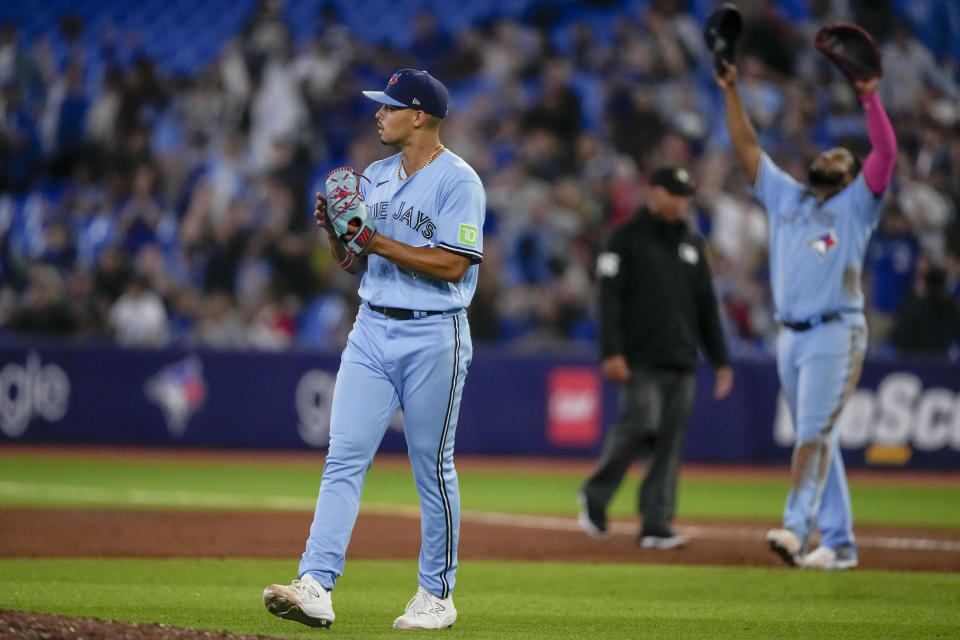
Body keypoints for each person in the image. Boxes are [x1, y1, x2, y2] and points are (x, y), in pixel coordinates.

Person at [262, 69, 485, 630]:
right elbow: (357, 261)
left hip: (435, 333)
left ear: (418, 116)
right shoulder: (377, 176)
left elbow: (453, 264)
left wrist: (373, 238)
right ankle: (315, 583)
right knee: (343, 457)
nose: (378, 114)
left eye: (388, 107)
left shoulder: (460, 181)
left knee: (431, 468)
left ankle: (436, 594)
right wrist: (339, 236)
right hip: (371, 327)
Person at [715, 59, 896, 569]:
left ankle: (796, 529)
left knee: (813, 433)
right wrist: (730, 89)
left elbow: (886, 151)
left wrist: (869, 97)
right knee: (821, 436)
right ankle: (839, 543)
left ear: (852, 176)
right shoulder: (788, 196)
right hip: (789, 336)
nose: (831, 155)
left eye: (842, 155)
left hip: (836, 331)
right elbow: (747, 147)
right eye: (828, 151)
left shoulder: (859, 205)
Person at [577, 165, 734, 549]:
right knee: (640, 423)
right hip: (639, 356)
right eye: (674, 193)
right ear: (653, 192)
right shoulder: (623, 239)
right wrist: (611, 351)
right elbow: (608, 300)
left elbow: (706, 307)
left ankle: (655, 524)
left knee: (669, 441)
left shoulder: (693, 244)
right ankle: (595, 495)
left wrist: (720, 360)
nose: (680, 201)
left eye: (685, 195)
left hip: (682, 357)